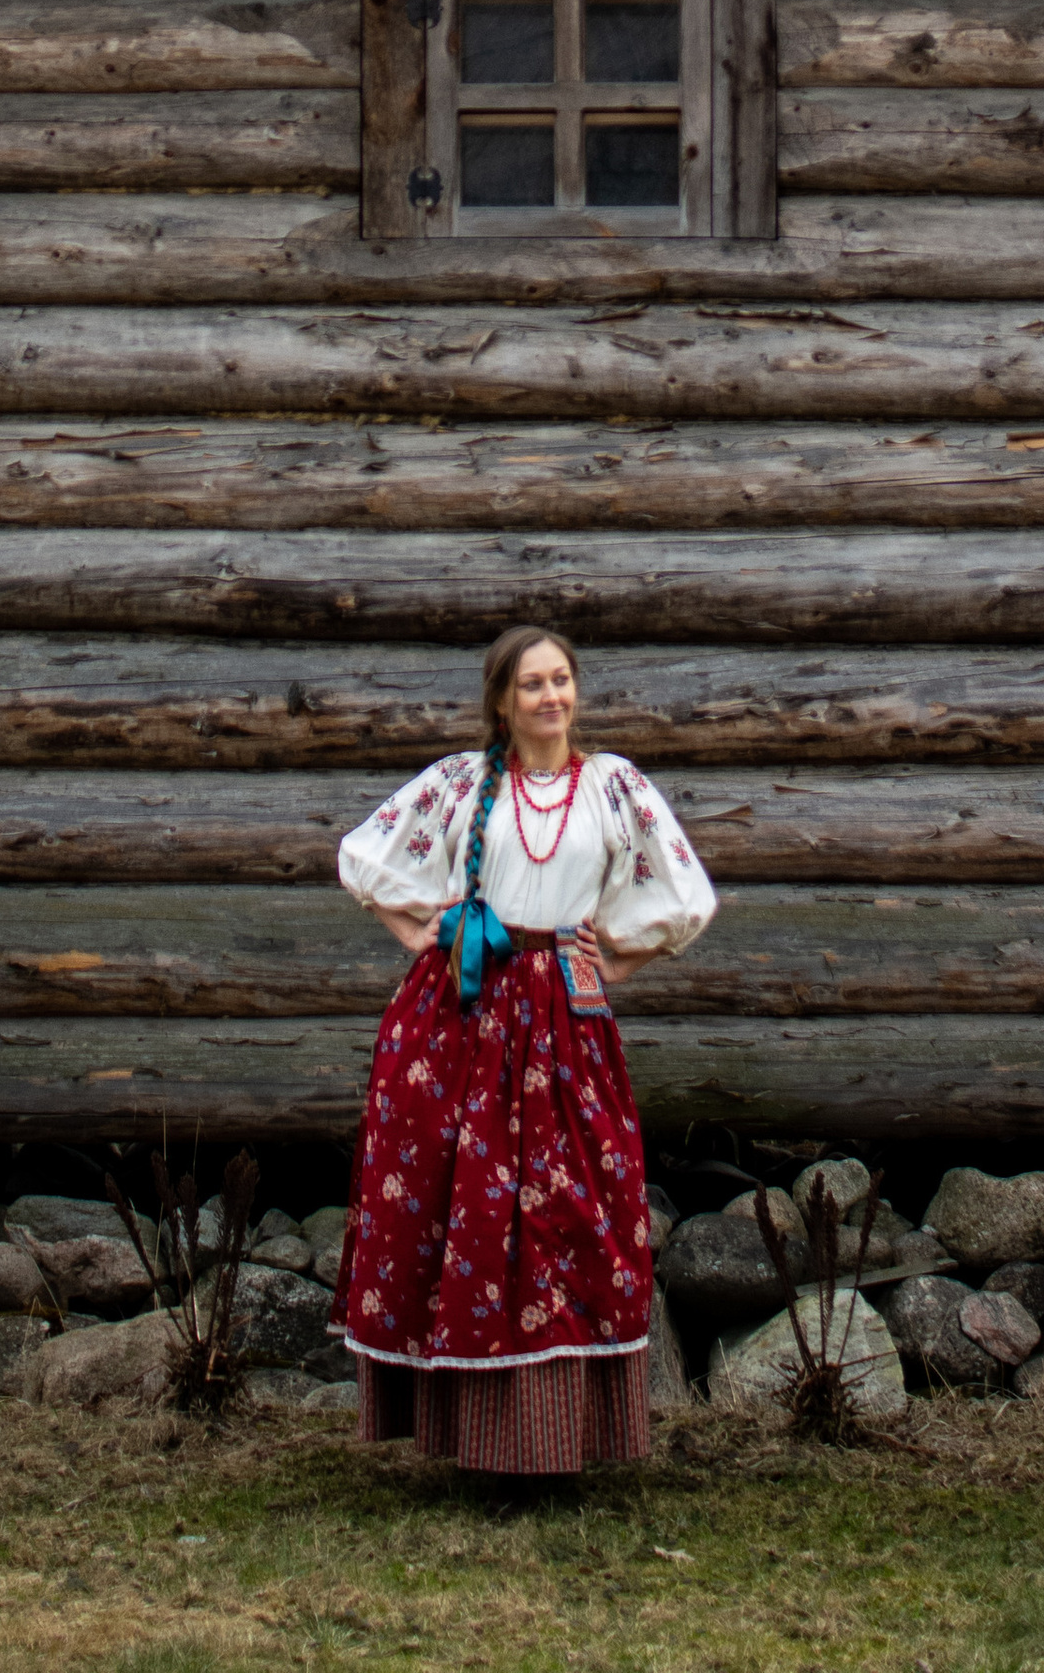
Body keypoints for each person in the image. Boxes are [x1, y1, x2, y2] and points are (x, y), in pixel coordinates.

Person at [330, 624, 716, 1479]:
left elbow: (684, 894)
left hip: (565, 1023)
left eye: (562, 681)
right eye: (532, 685)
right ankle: (474, 1442)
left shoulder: (613, 787)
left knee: (568, 1214)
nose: (551, 698)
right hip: (464, 1021)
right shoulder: (466, 783)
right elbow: (365, 859)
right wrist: (415, 933)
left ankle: (558, 1439)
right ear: (502, 701)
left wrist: (617, 958)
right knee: (469, 1214)